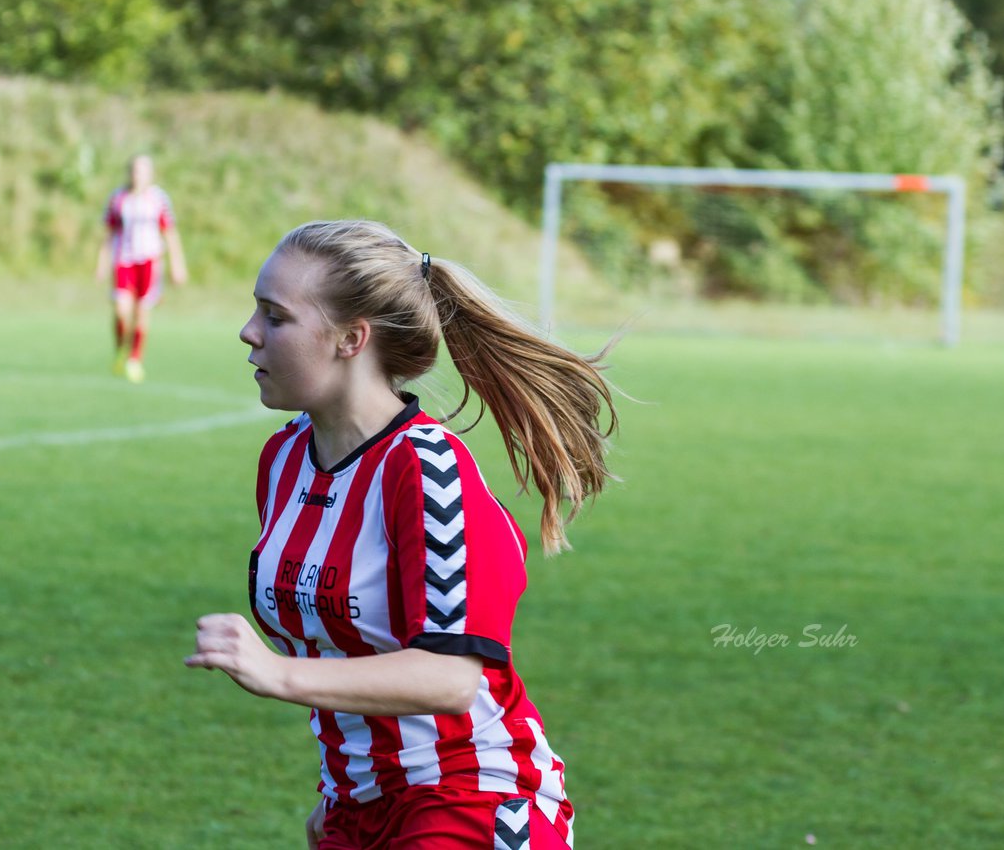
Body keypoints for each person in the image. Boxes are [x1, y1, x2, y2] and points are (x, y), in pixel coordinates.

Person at [184, 220, 618, 849]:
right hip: (358, 809)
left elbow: (448, 678)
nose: (249, 333)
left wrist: (276, 672)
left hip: (471, 800)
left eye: (275, 317)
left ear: (351, 339)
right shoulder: (283, 461)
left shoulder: (426, 472)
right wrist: (348, 790)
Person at [95, 154, 188, 383]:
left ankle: (134, 359)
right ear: (129, 172)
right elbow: (108, 234)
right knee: (121, 310)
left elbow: (170, 233)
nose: (138, 175)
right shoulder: (118, 198)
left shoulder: (158, 199)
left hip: (149, 262)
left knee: (141, 312)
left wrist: (177, 264)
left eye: (143, 171)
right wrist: (101, 263)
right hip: (124, 260)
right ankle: (120, 349)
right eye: (135, 170)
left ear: (150, 174)